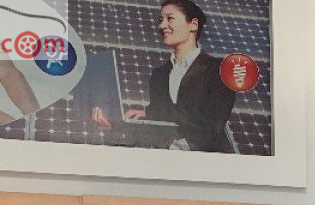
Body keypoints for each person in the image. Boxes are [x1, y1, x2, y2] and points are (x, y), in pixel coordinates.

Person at [91, 1, 236, 152]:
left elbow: (212, 124)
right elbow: (157, 131)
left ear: (193, 24)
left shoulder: (220, 69)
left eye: (170, 18)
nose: (162, 25)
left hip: (208, 160)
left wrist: (153, 114)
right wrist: (114, 126)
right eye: (160, 20)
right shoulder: (159, 75)